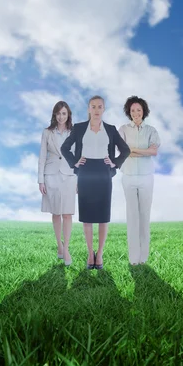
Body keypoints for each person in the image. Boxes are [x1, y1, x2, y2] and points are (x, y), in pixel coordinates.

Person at [61, 95, 130, 270]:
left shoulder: (111, 129)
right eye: (93, 106)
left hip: (103, 172)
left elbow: (125, 150)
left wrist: (114, 162)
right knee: (87, 217)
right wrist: (74, 163)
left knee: (102, 217)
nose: (96, 110)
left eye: (100, 107)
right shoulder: (79, 128)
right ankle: (90, 252)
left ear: (103, 109)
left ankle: (100, 254)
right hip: (85, 172)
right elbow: (65, 148)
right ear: (88, 109)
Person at [118, 96, 160, 265]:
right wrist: (143, 151)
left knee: (144, 216)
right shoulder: (122, 130)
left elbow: (153, 152)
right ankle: (133, 258)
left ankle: (144, 257)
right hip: (128, 176)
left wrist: (132, 150)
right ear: (129, 112)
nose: (136, 113)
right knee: (132, 216)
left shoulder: (151, 130)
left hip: (146, 177)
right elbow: (121, 152)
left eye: (139, 110)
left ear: (144, 112)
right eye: (133, 110)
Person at [38, 101, 76, 266]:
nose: (61, 117)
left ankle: (66, 248)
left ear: (68, 115)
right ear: (55, 115)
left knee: (67, 213)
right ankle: (59, 245)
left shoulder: (74, 132)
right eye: (59, 113)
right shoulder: (47, 132)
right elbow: (42, 156)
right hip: (51, 174)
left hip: (69, 174)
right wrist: (40, 179)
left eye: (64, 114)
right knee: (56, 213)